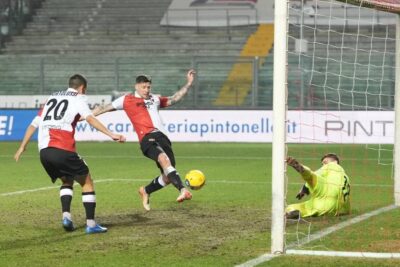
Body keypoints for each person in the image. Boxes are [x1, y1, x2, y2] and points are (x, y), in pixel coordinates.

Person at [14, 74, 126, 234]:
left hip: (44, 153)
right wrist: (111, 134)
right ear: (82, 88)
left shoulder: (52, 98)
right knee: (87, 181)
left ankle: (66, 216)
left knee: (67, 180)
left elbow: (33, 125)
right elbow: (90, 119)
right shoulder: (79, 99)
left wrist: (22, 147)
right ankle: (91, 224)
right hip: (62, 149)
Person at [92, 69, 196, 211]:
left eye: (148, 87)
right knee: (163, 159)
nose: (146, 90)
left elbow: (175, 98)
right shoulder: (126, 99)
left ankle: (145, 190)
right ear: (136, 86)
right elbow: (104, 108)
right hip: (147, 138)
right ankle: (183, 190)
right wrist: (85, 116)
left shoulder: (155, 99)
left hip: (163, 138)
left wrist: (188, 83)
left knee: (167, 176)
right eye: (143, 87)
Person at [285, 153, 351, 219]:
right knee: (302, 207)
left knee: (311, 176)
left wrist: (305, 188)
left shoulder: (332, 166)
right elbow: (347, 203)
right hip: (332, 209)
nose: (324, 165)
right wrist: (345, 210)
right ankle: (295, 212)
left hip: (326, 193)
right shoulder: (346, 178)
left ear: (335, 161)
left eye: (325, 162)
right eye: (322, 164)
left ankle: (299, 167)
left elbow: (316, 174)